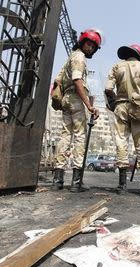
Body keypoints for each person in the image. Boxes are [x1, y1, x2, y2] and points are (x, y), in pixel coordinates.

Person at [52, 28, 102, 192]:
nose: (91, 48)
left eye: (94, 47)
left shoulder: (70, 58)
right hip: (75, 99)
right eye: (89, 45)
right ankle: (76, 182)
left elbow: (57, 81)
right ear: (82, 43)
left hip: (66, 99)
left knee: (65, 135)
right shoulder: (79, 57)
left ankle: (57, 180)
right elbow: (77, 80)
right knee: (80, 136)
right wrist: (88, 104)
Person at [104, 44, 140, 195]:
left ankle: (122, 186)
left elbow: (108, 89)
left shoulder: (116, 67)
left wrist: (116, 100)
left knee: (121, 142)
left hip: (121, 107)